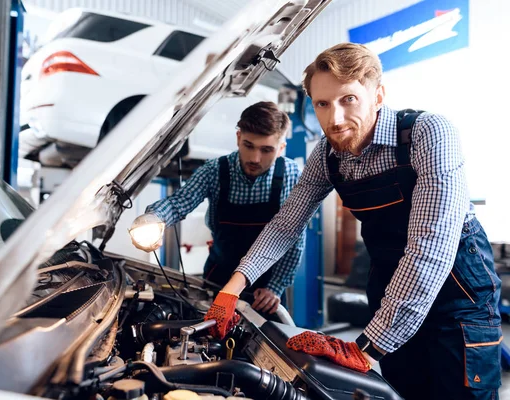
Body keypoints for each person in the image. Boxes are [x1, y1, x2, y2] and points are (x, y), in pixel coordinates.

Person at [204, 43, 502, 400]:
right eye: (322, 104)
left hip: (458, 298)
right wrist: (233, 288)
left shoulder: (428, 133)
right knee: (400, 392)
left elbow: (430, 246)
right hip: (392, 289)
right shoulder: (328, 155)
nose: (335, 119)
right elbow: (286, 224)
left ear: (378, 96)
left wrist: (365, 348)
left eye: (348, 99)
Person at [130, 101, 305, 315]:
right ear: (238, 138)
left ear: (281, 149)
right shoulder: (215, 171)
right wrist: (154, 219)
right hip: (219, 277)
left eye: (266, 150)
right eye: (248, 145)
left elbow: (295, 239)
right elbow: (178, 204)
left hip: (265, 290)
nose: (254, 158)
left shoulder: (292, 176)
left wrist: (275, 287)